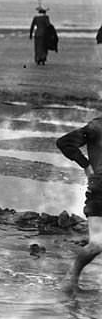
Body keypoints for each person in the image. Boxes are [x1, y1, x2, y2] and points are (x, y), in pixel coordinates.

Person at [55, 117, 102, 292]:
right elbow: (64, 143)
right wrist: (86, 165)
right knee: (97, 244)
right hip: (100, 190)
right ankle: (70, 279)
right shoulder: (97, 126)